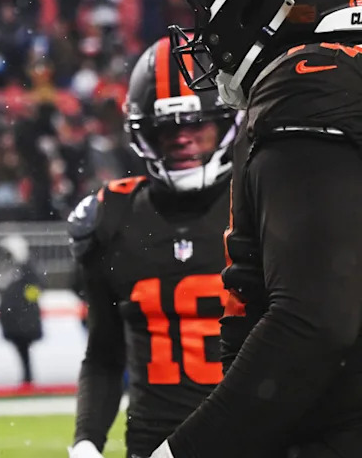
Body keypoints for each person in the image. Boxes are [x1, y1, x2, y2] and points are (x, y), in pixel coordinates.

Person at [151, 0, 362, 458]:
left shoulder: (312, 84)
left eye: (205, 6)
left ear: (254, 0)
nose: (200, 31)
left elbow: (314, 323)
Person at [68, 39, 241, 458]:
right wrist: (87, 441)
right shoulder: (113, 217)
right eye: (167, 128)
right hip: (150, 446)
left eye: (195, 123)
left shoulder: (260, 203)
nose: (181, 138)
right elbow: (105, 354)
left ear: (224, 122)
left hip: (249, 441)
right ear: (144, 131)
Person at [0, 235, 42, 387]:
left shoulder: (25, 270)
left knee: (23, 349)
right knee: (21, 349)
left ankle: (28, 378)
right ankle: (27, 377)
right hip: (13, 318)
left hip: (22, 318)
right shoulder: (7, 269)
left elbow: (36, 289)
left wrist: (23, 305)